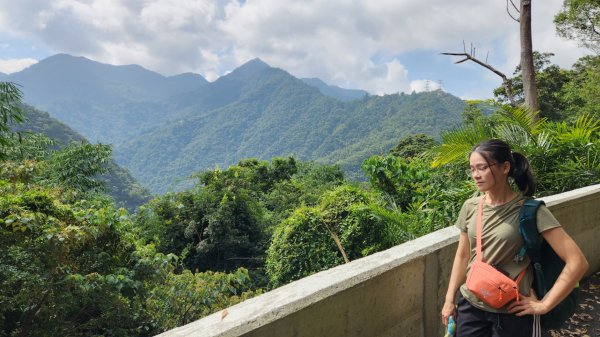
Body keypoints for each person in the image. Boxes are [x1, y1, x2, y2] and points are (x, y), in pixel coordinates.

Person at [441, 139, 589, 337]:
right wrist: (450, 299)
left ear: (505, 167)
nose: (475, 175)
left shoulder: (530, 211)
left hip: (513, 311)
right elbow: (462, 255)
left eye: (482, 167)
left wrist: (544, 305)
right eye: (472, 169)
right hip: (472, 304)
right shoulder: (471, 206)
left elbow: (577, 262)